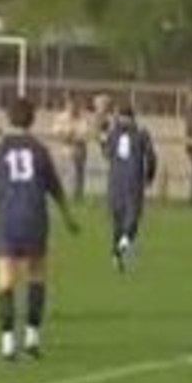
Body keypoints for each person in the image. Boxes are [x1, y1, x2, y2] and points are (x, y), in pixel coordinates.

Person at [0, 98, 80, 361]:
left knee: (5, 277)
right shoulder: (39, 150)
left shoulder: (1, 148)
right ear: (32, 119)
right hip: (35, 217)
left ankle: (7, 345)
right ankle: (32, 340)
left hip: (7, 219)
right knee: (36, 275)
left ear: (9, 118)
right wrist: (68, 217)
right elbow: (55, 187)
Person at [104, 105, 157, 272]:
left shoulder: (114, 133)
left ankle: (117, 252)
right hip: (132, 182)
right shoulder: (141, 133)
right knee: (131, 220)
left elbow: (107, 153)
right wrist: (149, 176)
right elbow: (151, 156)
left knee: (119, 221)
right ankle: (121, 248)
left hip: (115, 182)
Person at [52, 94, 91, 202]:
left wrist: (70, 136)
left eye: (74, 105)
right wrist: (67, 136)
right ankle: (66, 198)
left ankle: (77, 199)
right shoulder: (60, 117)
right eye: (69, 105)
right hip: (66, 152)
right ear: (66, 105)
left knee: (79, 176)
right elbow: (56, 134)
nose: (72, 107)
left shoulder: (83, 118)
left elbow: (85, 135)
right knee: (68, 176)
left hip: (79, 151)